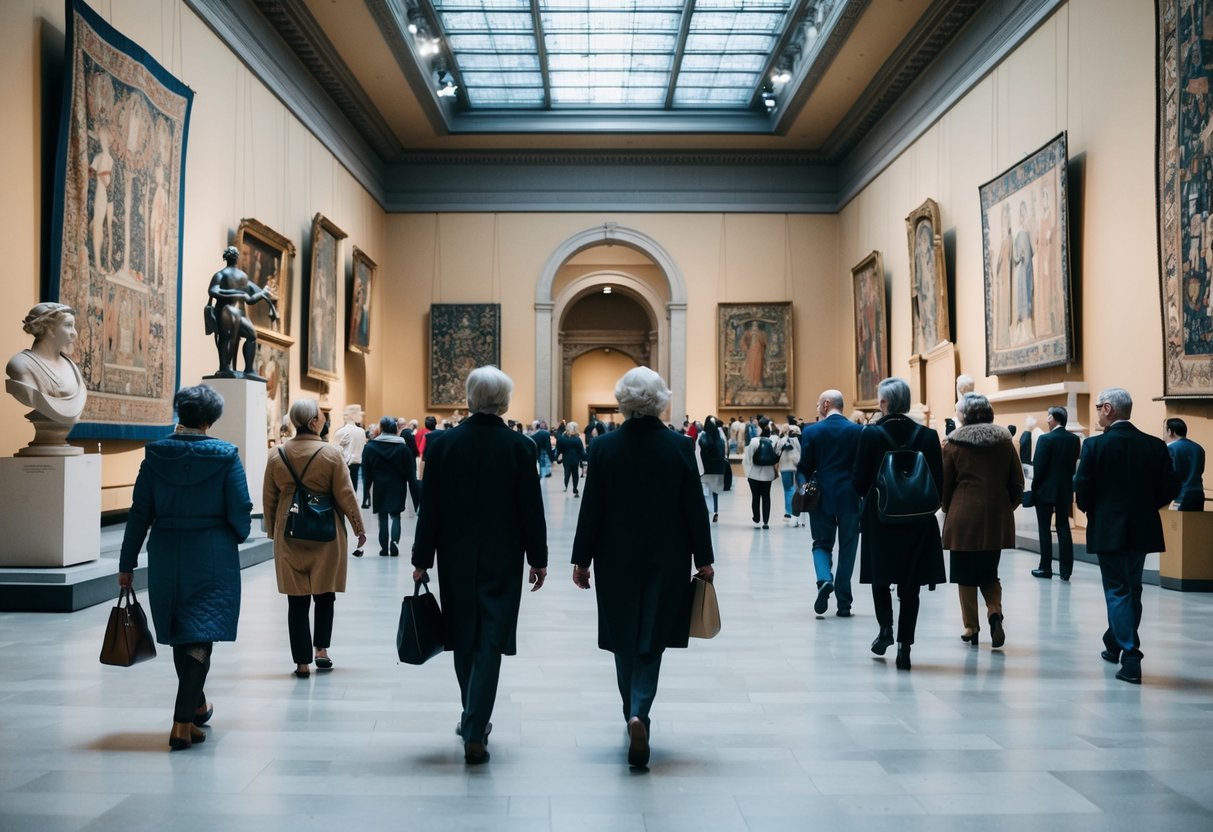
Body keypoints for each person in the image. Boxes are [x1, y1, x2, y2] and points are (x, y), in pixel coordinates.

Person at [571, 366, 715, 769]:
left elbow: (591, 510)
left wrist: (581, 560)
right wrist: (704, 558)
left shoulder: (603, 449)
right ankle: (640, 711)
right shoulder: (679, 447)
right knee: (653, 633)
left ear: (623, 400)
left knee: (622, 635)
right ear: (659, 400)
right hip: (667, 555)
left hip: (614, 556)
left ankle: (629, 711)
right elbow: (694, 510)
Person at [411, 366, 548, 765]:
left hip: (455, 555)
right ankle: (475, 726)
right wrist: (537, 559)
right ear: (504, 401)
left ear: (470, 397)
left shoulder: (443, 445)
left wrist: (421, 559)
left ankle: (472, 716)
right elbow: (531, 510)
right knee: (490, 638)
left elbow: (429, 510)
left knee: (462, 633)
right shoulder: (520, 448)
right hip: (503, 556)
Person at [116, 384, 252, 750]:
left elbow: (139, 512)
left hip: (166, 551)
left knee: (181, 627)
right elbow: (240, 508)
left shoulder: (156, 455)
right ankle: (180, 722)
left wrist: (126, 562)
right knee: (201, 629)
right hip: (211, 550)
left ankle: (195, 708)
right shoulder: (225, 456)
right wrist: (237, 534)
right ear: (210, 419)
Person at [1075, 388, 1179, 684]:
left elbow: (1083, 488)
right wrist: (1147, 506)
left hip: (1108, 526)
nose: (1096, 412)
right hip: (1143, 525)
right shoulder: (1154, 446)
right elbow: (1171, 486)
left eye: (1097, 407)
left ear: (1108, 409)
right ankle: (1113, 641)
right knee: (1133, 587)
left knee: (1118, 589)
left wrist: (1094, 511)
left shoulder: (1094, 446)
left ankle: (1131, 655)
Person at [264, 399, 366, 678]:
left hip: (290, 530)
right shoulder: (331, 454)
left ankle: (301, 663)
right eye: (321, 416)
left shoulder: (277, 454)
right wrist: (359, 527)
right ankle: (321, 649)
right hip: (326, 531)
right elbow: (345, 494)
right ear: (312, 422)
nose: (323, 420)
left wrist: (272, 531)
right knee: (325, 594)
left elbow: (269, 498)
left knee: (296, 602)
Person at [852, 377, 946, 671]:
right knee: (911, 585)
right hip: (918, 521)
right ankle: (905, 645)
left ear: (884, 403)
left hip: (880, 518)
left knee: (881, 576)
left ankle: (885, 629)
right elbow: (939, 483)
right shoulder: (928, 436)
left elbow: (858, 482)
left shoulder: (870, 434)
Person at [941, 394, 1023, 648]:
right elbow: (1017, 482)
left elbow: (946, 484)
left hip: (963, 516)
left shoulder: (953, 444)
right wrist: (1006, 507)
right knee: (989, 572)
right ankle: (994, 612)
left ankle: (971, 626)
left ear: (964, 415)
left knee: (964, 575)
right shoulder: (1005, 443)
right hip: (996, 515)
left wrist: (947, 508)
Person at [799, 389, 863, 617]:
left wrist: (802, 489)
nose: (817, 408)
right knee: (848, 549)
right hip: (849, 497)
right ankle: (844, 603)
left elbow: (804, 467)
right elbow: (861, 467)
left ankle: (824, 579)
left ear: (826, 405)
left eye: (818, 404)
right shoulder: (857, 431)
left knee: (821, 544)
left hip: (821, 497)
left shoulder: (812, 431)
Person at [5, 303, 88, 452]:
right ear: (49, 329)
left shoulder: (72, 367)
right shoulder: (20, 366)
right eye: (68, 326)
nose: (74, 333)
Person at [206, 246, 278, 378]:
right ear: (236, 258)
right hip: (227, 310)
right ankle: (225, 367)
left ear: (226, 258)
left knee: (250, 335)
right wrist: (237, 293)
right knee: (229, 337)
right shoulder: (223, 275)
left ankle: (248, 369)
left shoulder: (240, 276)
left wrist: (262, 293)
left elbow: (249, 299)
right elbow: (213, 291)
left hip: (234, 311)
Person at [1031, 406, 1081, 580]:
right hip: (1065, 490)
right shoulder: (1075, 440)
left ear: (1053, 418)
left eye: (1048, 416)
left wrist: (1035, 487)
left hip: (1045, 490)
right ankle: (1066, 570)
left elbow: (1039, 467)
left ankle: (1045, 567)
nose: (1047, 419)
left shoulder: (1045, 439)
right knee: (1064, 528)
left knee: (1044, 529)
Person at [362, 415, 418, 557]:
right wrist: (416, 498)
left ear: (381, 429)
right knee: (396, 516)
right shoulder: (403, 449)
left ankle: (383, 549)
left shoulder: (370, 447)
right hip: (398, 486)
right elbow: (411, 475)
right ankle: (394, 543)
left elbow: (366, 473)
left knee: (383, 517)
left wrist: (365, 495)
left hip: (380, 486)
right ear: (395, 429)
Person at [742, 416, 778, 528]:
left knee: (755, 496)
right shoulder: (773, 442)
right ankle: (766, 522)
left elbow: (748, 458)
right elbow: (775, 458)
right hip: (768, 475)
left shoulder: (754, 442)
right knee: (766, 496)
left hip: (754, 475)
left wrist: (747, 473)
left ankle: (756, 517)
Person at [1165, 417, 1206, 511]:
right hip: (1199, 493)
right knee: (1195, 524)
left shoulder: (1171, 448)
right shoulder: (1199, 448)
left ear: (1170, 431)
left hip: (1181, 495)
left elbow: (1174, 473)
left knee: (1178, 524)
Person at [695, 415, 728, 522]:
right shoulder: (719, 434)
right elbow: (724, 450)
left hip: (705, 468)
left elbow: (697, 452)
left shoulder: (702, 435)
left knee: (706, 492)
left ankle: (707, 511)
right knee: (715, 492)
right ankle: (715, 512)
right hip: (718, 468)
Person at [334, 404, 366, 505]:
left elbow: (333, 451)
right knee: (353, 487)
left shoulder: (341, 432)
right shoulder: (361, 432)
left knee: (343, 488)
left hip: (344, 463)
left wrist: (339, 444)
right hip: (356, 463)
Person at [777, 423, 801, 523]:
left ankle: (788, 513)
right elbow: (801, 451)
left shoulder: (781, 441)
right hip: (797, 466)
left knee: (788, 490)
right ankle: (797, 512)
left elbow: (777, 453)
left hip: (785, 468)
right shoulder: (798, 441)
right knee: (797, 489)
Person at [557, 420, 587, 496]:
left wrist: (557, 458)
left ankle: (566, 486)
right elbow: (582, 452)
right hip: (575, 460)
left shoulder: (562, 439)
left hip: (566, 459)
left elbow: (559, 450)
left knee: (566, 473)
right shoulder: (578, 440)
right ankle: (575, 488)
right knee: (575, 474)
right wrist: (587, 458)